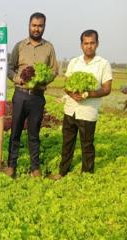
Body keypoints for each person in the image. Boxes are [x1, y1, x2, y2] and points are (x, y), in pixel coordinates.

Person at [50, 30, 112, 180]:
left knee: (87, 145)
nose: (89, 46)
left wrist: (87, 94)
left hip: (88, 111)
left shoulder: (103, 64)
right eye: (86, 43)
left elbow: (106, 89)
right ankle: (62, 172)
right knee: (67, 143)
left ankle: (87, 175)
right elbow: (67, 85)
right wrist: (73, 94)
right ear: (81, 45)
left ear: (97, 44)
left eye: (92, 43)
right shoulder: (74, 62)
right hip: (70, 109)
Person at [5, 12, 58, 178]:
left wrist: (44, 79)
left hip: (37, 97)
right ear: (29, 25)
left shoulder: (49, 48)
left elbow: (54, 70)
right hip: (20, 95)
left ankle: (35, 168)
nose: (37, 28)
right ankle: (11, 165)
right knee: (15, 132)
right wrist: (17, 78)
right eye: (34, 25)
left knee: (34, 134)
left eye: (40, 25)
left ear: (44, 27)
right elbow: (10, 67)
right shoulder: (20, 46)